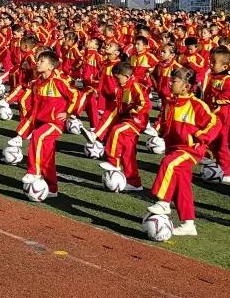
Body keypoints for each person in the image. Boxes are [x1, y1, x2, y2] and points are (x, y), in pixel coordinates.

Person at [147, 67, 220, 237]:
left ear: (186, 86)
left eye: (174, 81)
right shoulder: (170, 102)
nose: (170, 83)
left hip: (190, 150)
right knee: (182, 186)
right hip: (173, 148)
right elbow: (165, 122)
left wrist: (200, 137)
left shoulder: (196, 105)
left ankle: (164, 202)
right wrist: (160, 130)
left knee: (168, 164)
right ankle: (188, 224)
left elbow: (215, 123)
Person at [10, 48, 79, 198]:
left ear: (51, 66)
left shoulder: (59, 81)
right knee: (47, 158)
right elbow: (33, 108)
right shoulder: (37, 83)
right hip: (41, 122)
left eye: (42, 61)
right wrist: (21, 132)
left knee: (38, 136)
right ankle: (52, 189)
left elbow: (75, 94)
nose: (37, 63)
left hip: (55, 124)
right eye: (38, 60)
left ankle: (33, 172)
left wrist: (68, 112)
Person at [96, 61, 148, 192]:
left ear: (126, 76)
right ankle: (134, 183)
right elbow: (115, 110)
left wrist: (134, 111)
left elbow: (145, 103)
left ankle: (113, 162)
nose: (116, 80)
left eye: (117, 78)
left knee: (117, 130)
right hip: (126, 120)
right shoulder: (120, 88)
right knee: (128, 153)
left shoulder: (135, 86)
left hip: (136, 121)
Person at [202, 46, 230, 183]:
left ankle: (225, 171)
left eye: (214, 62)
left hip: (223, 117)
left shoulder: (228, 79)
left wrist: (218, 99)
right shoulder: (211, 76)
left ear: (224, 66)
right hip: (211, 116)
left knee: (221, 144)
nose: (211, 64)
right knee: (210, 140)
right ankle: (212, 162)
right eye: (210, 61)